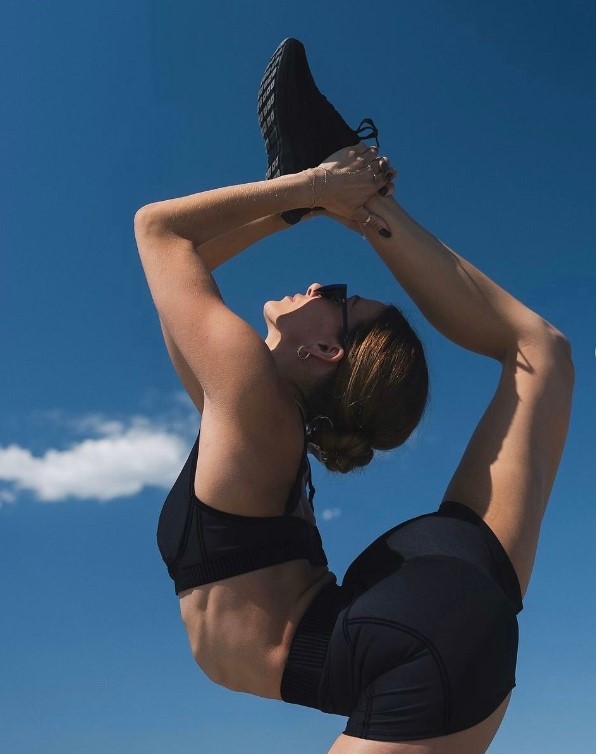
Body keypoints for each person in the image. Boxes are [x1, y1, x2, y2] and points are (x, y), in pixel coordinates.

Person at [134, 142, 574, 752]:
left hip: (405, 629)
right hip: (415, 605)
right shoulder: (244, 409)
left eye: (335, 295)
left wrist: (314, 190)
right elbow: (183, 251)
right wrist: (320, 199)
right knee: (539, 355)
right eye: (339, 293)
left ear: (325, 352)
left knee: (543, 352)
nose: (315, 284)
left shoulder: (250, 399)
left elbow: (162, 232)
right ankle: (367, 204)